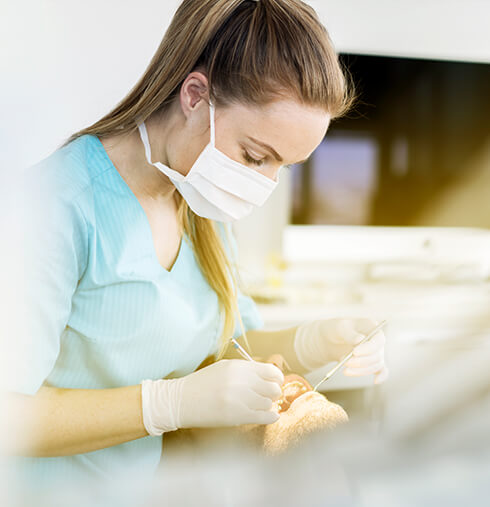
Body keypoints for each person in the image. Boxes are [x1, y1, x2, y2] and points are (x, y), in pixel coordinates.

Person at [2, 0, 388, 495]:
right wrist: (166, 404)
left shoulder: (198, 198)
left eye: (282, 168)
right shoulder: (57, 206)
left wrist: (312, 341)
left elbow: (224, 345)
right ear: (195, 95)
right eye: (255, 156)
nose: (263, 184)